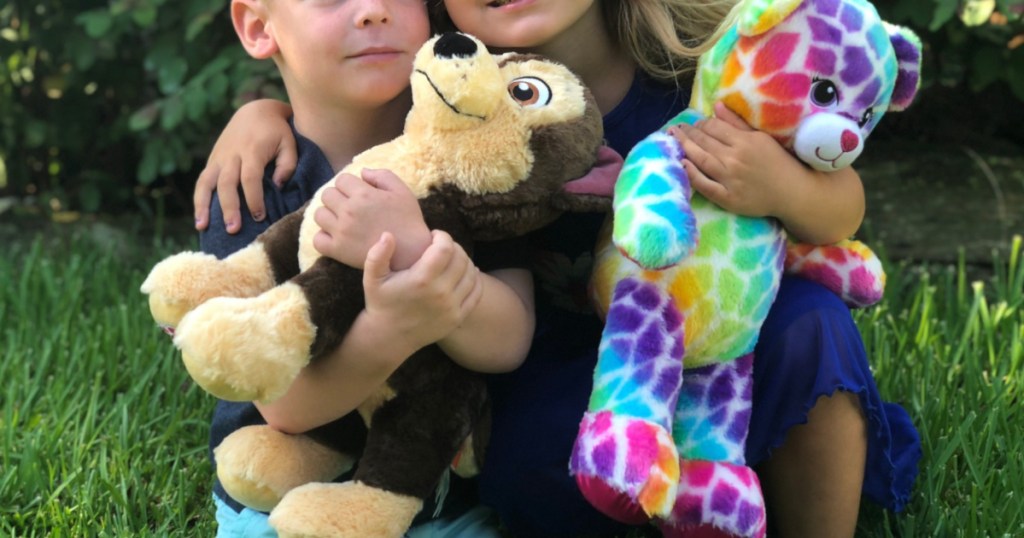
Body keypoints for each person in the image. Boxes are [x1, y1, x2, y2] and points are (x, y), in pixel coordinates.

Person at [196, 1, 921, 537]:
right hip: (572, 378)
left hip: (728, 351)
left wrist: (787, 188)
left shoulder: (700, 73)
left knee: (813, 323)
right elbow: (330, 87)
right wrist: (262, 112)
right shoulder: (463, 101)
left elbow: (844, 202)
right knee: (529, 470)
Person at [200, 1, 538, 536]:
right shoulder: (255, 188)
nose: (374, 10)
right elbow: (285, 408)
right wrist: (394, 329)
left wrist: (418, 250)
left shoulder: (471, 159)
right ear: (260, 27)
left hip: (445, 507)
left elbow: (510, 341)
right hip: (284, 510)